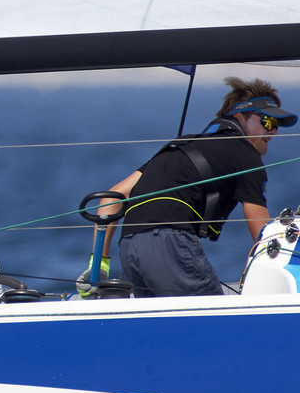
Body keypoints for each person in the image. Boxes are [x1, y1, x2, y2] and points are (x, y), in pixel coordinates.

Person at [98, 77, 295, 297]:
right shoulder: (246, 154)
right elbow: (261, 231)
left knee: (166, 329)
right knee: (215, 324)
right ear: (240, 116)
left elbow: (113, 197)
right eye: (268, 122)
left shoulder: (182, 144)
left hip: (129, 247)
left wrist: (99, 265)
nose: (274, 132)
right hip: (169, 243)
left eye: (276, 125)